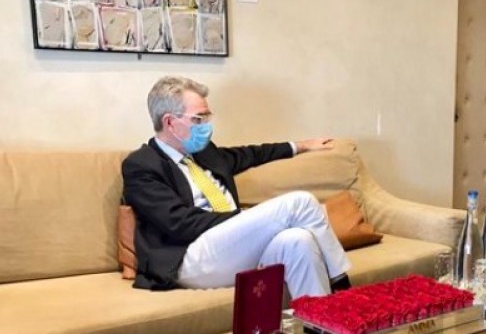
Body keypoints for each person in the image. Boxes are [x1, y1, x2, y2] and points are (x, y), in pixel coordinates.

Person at [122, 76, 351, 299]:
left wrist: (300, 146)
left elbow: (250, 154)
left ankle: (319, 319)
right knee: (301, 202)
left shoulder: (204, 153)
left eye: (208, 117)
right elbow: (180, 223)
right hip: (189, 257)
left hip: (231, 249)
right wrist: (240, 217)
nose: (207, 126)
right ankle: (343, 288)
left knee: (298, 240)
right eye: (199, 119)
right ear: (170, 122)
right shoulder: (141, 165)